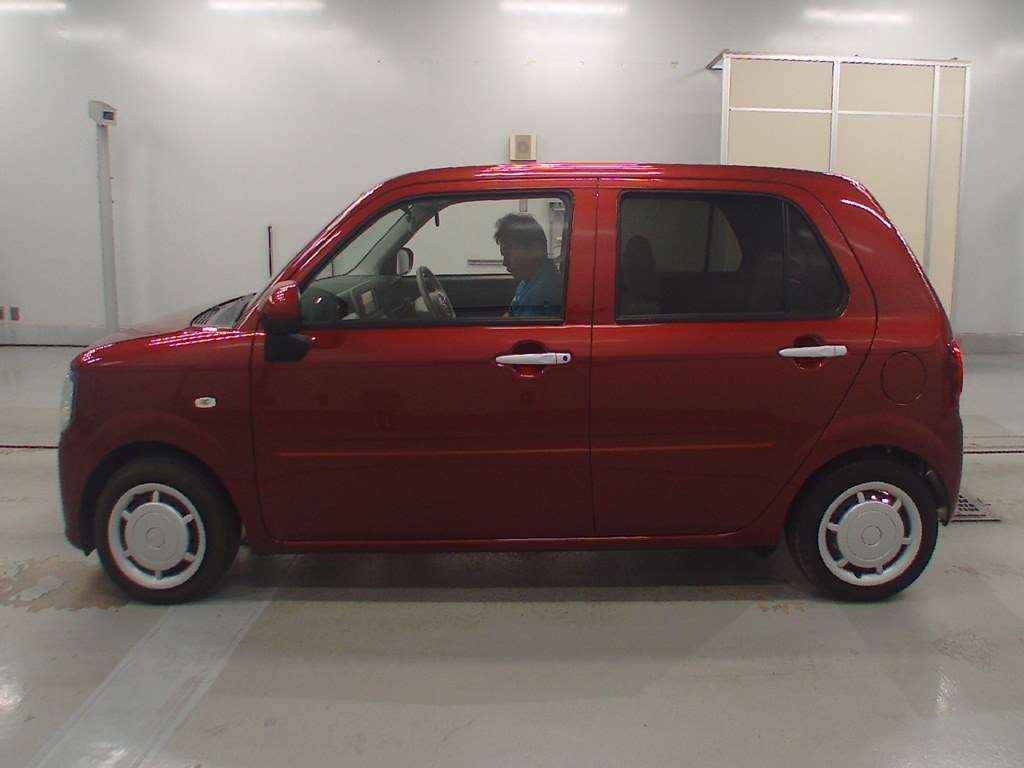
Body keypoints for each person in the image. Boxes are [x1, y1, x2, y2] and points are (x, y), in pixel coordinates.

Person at [493, 213, 562, 318]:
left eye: (509, 254)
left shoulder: (544, 291)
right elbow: (510, 315)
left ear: (535, 249)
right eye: (504, 255)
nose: (505, 262)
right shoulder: (528, 280)